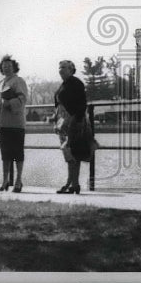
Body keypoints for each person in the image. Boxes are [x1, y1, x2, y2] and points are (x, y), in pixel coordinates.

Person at [0, 55, 28, 192]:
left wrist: (10, 103)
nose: (6, 68)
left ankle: (18, 181)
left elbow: (23, 99)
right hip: (2, 125)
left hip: (16, 124)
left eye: (9, 66)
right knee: (5, 155)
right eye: (4, 66)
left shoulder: (19, 81)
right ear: (1, 68)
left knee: (18, 153)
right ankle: (5, 182)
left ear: (14, 67)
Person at [53, 59, 90, 194]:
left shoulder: (76, 83)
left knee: (72, 152)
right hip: (63, 123)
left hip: (73, 122)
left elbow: (81, 104)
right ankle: (72, 183)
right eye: (59, 67)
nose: (61, 70)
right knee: (68, 153)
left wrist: (76, 121)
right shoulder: (63, 85)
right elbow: (59, 105)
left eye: (64, 67)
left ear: (71, 70)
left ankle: (73, 183)